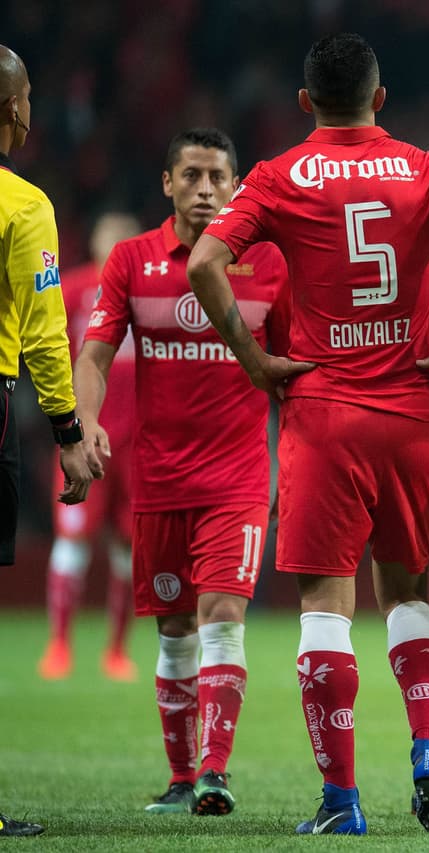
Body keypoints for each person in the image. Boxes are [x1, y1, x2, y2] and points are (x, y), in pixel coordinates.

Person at [189, 33, 429, 836]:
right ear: (379, 99)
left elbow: (204, 262)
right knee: (407, 594)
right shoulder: (422, 164)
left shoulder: (277, 176)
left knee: (325, 609)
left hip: (322, 411)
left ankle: (342, 804)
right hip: (410, 409)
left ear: (305, 102)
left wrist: (256, 358)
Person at [77, 128, 289, 817]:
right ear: (167, 183)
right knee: (174, 631)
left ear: (235, 186)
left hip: (238, 481)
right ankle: (179, 776)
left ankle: (214, 772)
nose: (205, 188)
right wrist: (81, 423)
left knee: (222, 617)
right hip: (160, 481)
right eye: (191, 175)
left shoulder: (268, 263)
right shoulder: (132, 261)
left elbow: (296, 369)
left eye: (217, 176)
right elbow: (96, 353)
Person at [0, 41, 101, 840]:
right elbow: (42, 333)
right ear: (13, 108)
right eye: (29, 92)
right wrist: (69, 430)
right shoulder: (24, 204)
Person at [38, 212, 142, 683]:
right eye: (109, 235)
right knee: (73, 541)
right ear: (98, 241)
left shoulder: (150, 287)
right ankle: (59, 646)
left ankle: (116, 652)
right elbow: (49, 349)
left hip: (140, 442)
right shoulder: (75, 287)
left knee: (127, 547)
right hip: (84, 435)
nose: (116, 243)